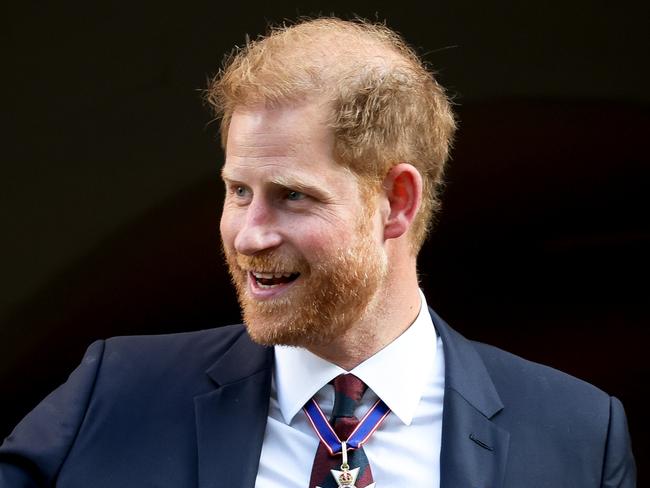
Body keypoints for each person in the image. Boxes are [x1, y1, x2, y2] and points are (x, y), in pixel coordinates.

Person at [0, 17, 636, 488]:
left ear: (397, 201)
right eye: (238, 190)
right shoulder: (114, 394)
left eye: (293, 196)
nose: (249, 234)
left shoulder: (578, 436)